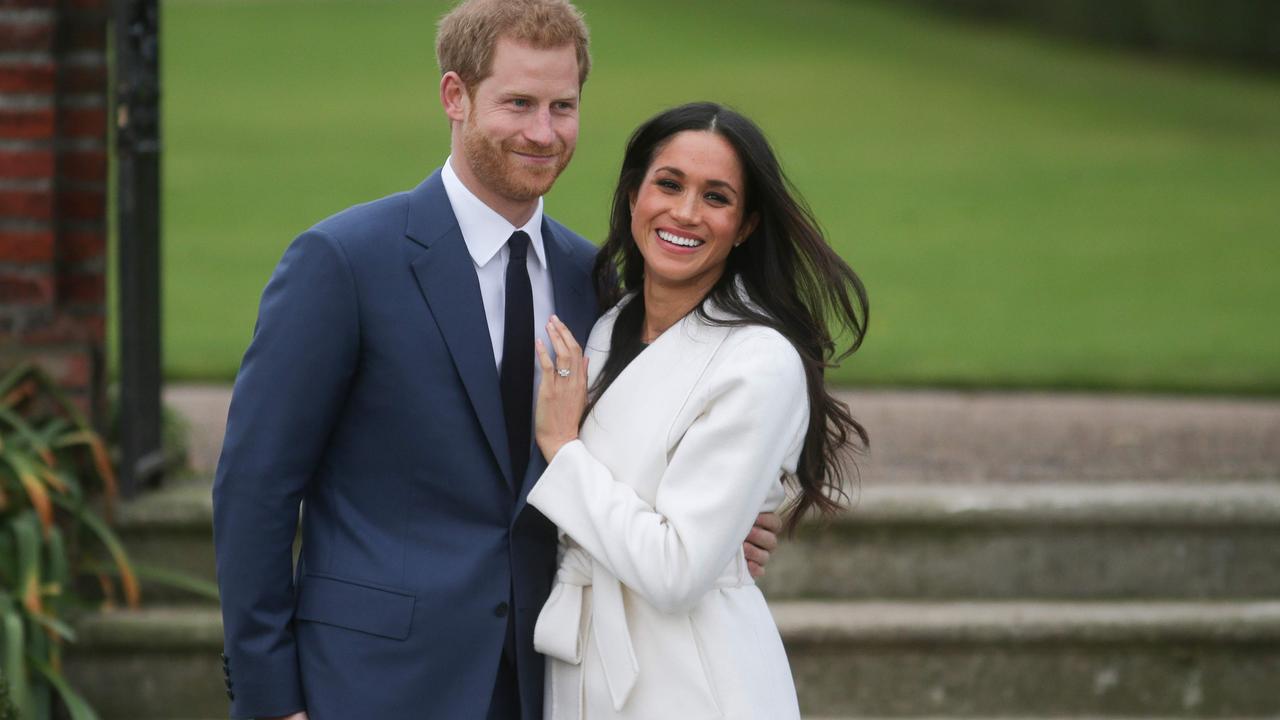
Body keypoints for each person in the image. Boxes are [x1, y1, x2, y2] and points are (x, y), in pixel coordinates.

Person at [211, 3, 779, 719]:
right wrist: (271, 701)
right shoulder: (344, 263)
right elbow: (254, 490)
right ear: (456, 96)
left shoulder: (598, 281)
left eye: (562, 107)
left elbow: (641, 448)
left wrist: (740, 520)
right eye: (519, 103)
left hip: (547, 680)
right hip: (368, 684)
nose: (544, 133)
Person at [527, 102, 869, 719]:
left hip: (693, 680)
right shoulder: (605, 327)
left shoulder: (757, 361)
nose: (685, 213)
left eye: (716, 197)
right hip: (581, 669)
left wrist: (562, 449)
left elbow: (678, 570)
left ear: (744, 226)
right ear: (634, 195)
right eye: (669, 184)